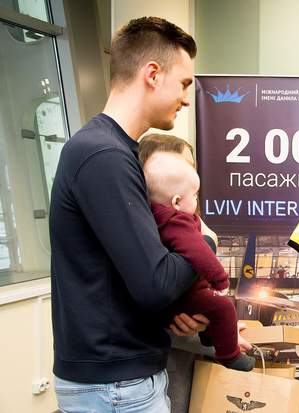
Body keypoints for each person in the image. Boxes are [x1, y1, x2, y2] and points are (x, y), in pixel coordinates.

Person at [50, 17, 208, 412]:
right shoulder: (105, 156)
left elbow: (126, 277)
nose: (186, 98)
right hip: (116, 388)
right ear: (152, 74)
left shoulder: (110, 152)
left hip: (116, 382)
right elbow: (155, 283)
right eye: (183, 84)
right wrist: (204, 242)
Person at [143, 151, 255, 371]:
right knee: (223, 306)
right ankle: (230, 356)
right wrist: (220, 280)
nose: (196, 199)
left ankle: (209, 336)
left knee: (214, 308)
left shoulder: (153, 218)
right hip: (184, 303)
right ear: (176, 200)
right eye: (194, 194)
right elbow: (199, 252)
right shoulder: (178, 222)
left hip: (175, 306)